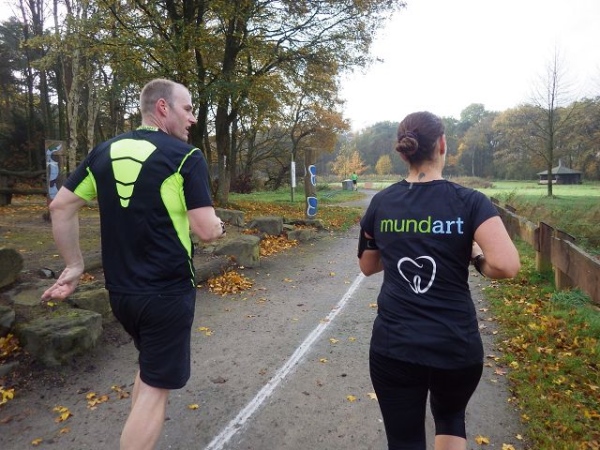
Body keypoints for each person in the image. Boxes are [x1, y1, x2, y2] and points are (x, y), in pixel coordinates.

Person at [41, 78, 226, 450]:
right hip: (166, 294)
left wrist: (74, 266)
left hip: (121, 294)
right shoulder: (186, 157)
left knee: (150, 370)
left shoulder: (103, 151)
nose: (193, 118)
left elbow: (60, 207)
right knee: (156, 390)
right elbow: (206, 230)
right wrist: (219, 226)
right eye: (188, 109)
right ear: (162, 107)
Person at [357, 111, 520, 450]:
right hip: (456, 346)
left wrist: (399, 245)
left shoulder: (381, 203)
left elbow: (367, 266)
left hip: (395, 347)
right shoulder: (470, 201)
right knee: (451, 418)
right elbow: (506, 266)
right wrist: (476, 257)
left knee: (404, 439)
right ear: (442, 144)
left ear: (403, 152)